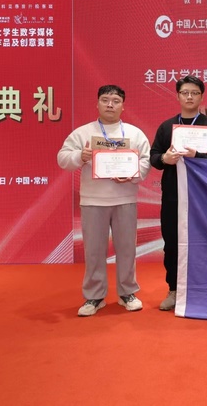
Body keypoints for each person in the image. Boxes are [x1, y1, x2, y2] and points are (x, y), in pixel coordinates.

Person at [57, 85, 151, 317]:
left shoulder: (134, 134)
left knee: (127, 249)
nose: (110, 104)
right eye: (105, 100)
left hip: (125, 199)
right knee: (94, 251)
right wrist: (80, 156)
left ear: (123, 106)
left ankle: (127, 292)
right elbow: (62, 158)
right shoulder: (82, 133)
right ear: (97, 103)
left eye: (116, 101)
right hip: (93, 201)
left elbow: (146, 162)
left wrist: (132, 175)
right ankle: (95, 296)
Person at [150, 75, 207, 311]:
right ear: (178, 96)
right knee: (172, 243)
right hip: (174, 195)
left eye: (194, 93)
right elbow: (154, 157)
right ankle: (174, 289)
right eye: (185, 93)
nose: (190, 97)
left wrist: (199, 156)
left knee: (206, 242)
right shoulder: (166, 126)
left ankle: (206, 288)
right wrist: (165, 158)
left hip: (204, 197)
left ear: (202, 97)